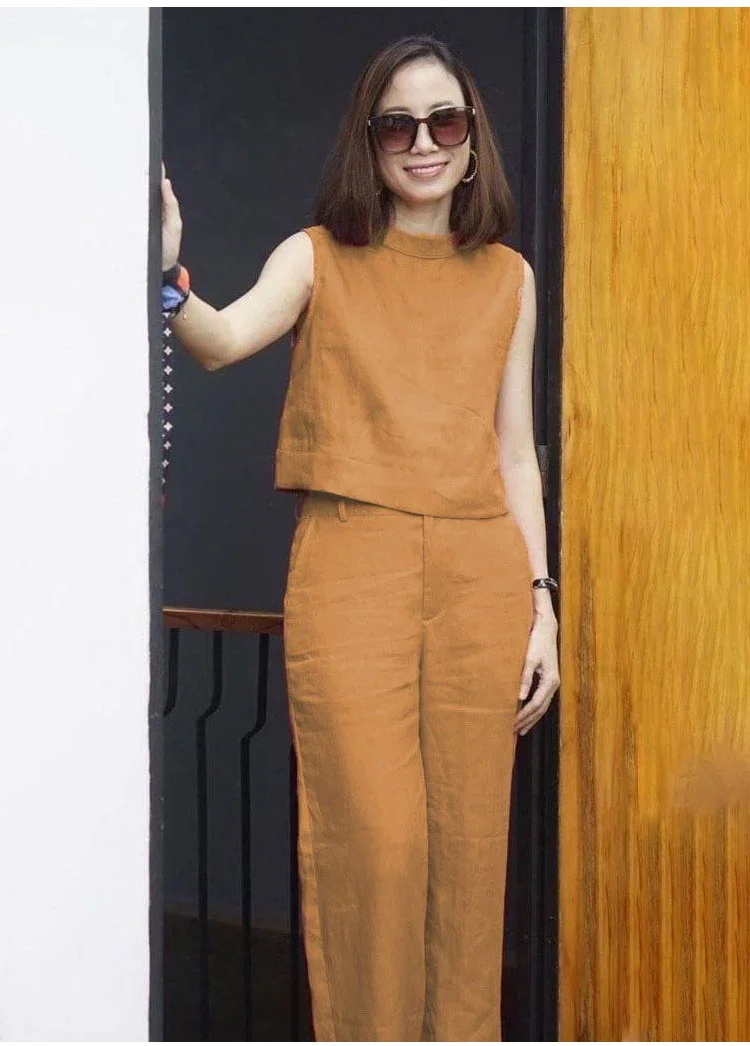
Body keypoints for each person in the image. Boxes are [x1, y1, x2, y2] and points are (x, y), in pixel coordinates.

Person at [162, 33, 560, 1043]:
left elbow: (516, 454)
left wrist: (542, 604)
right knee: (374, 844)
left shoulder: (508, 276)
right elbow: (222, 341)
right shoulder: (316, 254)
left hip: (481, 572)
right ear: (369, 140)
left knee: (470, 847)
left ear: (472, 140)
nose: (423, 143)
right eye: (398, 125)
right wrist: (167, 278)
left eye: (445, 121)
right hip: (353, 563)